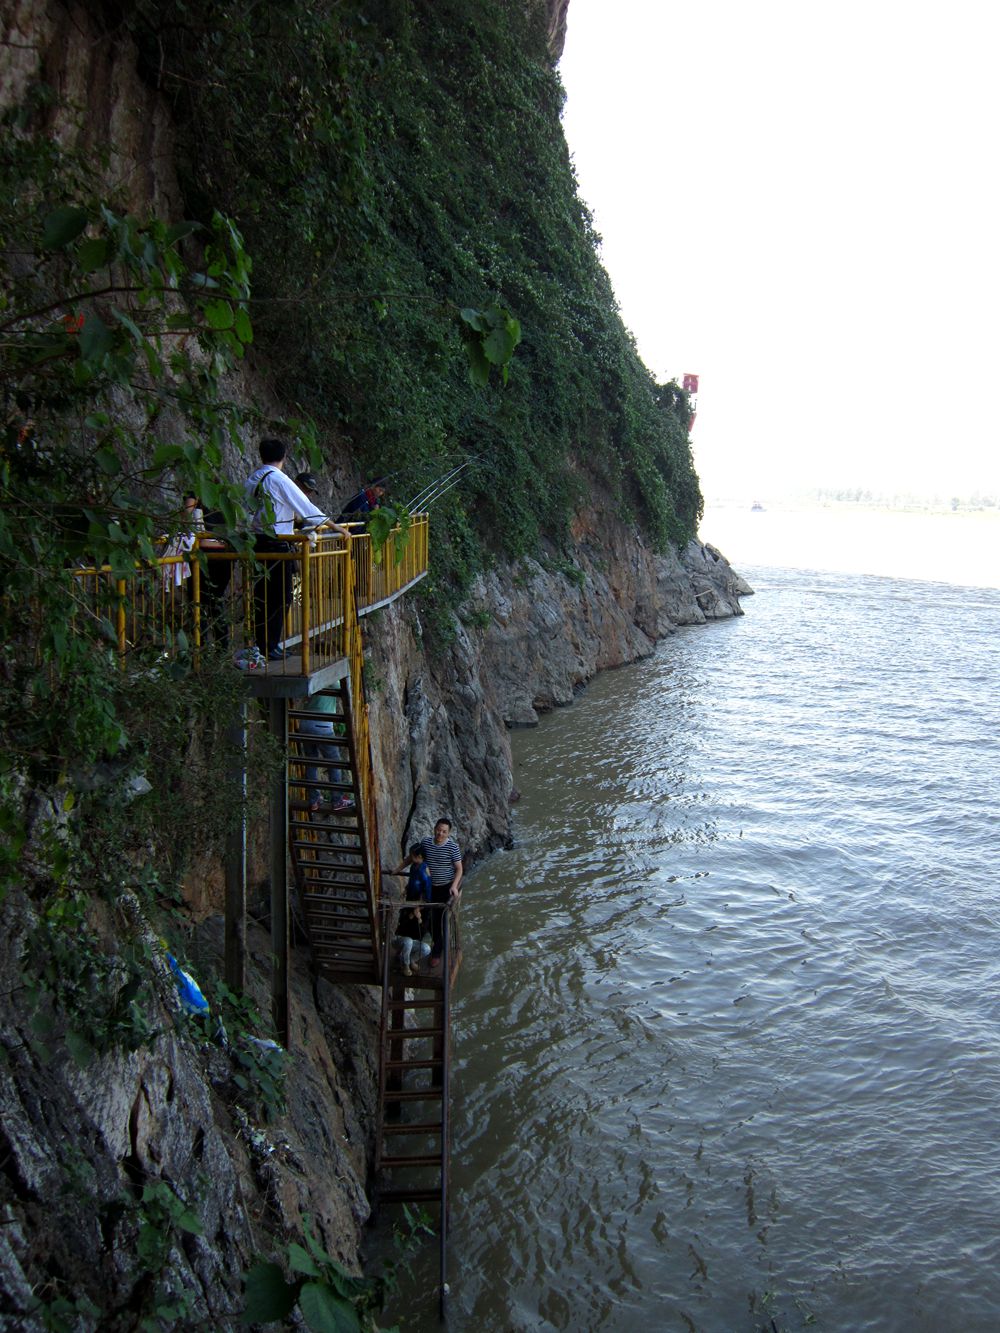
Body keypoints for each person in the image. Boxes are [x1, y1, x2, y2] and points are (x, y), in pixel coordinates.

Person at [243, 439, 348, 661]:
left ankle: (264, 644)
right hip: (277, 543)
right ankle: (269, 646)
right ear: (283, 457)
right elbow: (308, 508)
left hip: (257, 542)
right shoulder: (280, 480)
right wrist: (339, 529)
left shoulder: (253, 478)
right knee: (281, 597)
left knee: (263, 595)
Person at [395, 818, 462, 968]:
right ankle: (415, 949)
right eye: (439, 830)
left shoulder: (452, 847)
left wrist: (455, 886)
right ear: (434, 829)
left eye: (444, 831)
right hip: (427, 888)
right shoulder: (426, 842)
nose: (440, 833)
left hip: (444, 888)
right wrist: (398, 869)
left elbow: (459, 868)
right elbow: (412, 858)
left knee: (438, 921)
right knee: (425, 919)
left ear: (448, 833)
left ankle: (437, 952)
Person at [296, 691, 352, 813]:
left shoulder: (311, 677)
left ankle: (314, 800)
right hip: (322, 725)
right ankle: (337, 800)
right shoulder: (331, 678)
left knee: (311, 762)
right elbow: (345, 688)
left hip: (305, 724)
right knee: (335, 763)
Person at [387, 844, 433, 975]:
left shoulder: (424, 871)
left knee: (416, 934)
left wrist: (418, 908)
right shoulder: (414, 867)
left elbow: (427, 893)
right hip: (410, 901)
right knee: (405, 931)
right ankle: (404, 959)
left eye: (412, 855)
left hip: (420, 906)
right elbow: (412, 882)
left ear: (419, 857)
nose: (410, 857)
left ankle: (410, 959)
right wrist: (406, 889)